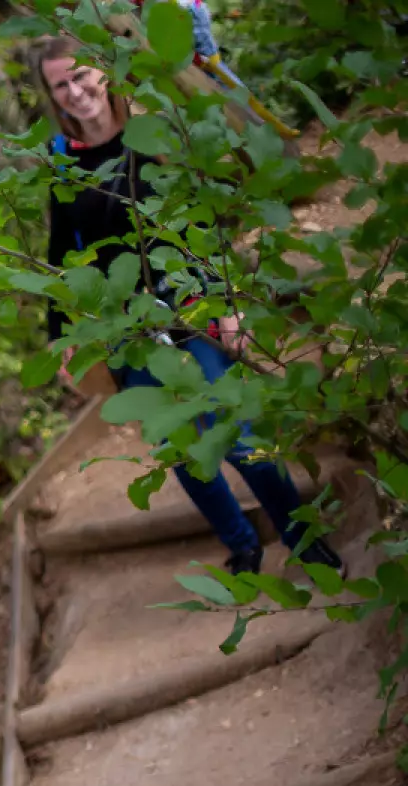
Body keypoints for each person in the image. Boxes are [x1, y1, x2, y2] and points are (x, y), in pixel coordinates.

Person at [36, 36, 341, 576]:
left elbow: (200, 220)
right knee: (179, 448)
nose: (75, 90)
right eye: (61, 84)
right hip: (126, 326)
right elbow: (63, 254)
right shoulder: (63, 161)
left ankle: (303, 539)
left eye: (80, 75)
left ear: (103, 73)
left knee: (240, 436)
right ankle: (241, 544)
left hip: (189, 303)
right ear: (53, 95)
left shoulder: (151, 135)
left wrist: (225, 303)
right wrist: (61, 335)